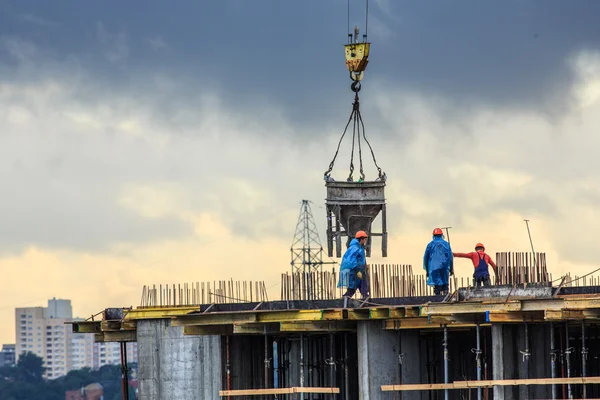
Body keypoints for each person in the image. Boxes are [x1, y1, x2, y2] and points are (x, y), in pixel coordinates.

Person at [337, 230, 369, 302]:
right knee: (354, 287)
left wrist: (364, 267)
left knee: (361, 286)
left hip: (358, 270)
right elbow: (351, 259)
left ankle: (366, 298)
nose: (365, 241)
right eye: (365, 239)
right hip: (354, 271)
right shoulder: (355, 248)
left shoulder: (359, 247)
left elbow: (360, 259)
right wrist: (357, 270)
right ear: (361, 239)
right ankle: (366, 299)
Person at [423, 228, 454, 296]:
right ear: (442, 235)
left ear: (433, 235)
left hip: (433, 268)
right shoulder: (446, 244)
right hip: (444, 267)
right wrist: (451, 269)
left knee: (437, 286)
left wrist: (427, 271)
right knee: (445, 284)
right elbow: (451, 257)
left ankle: (437, 297)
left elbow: (426, 258)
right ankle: (446, 296)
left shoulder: (430, 245)